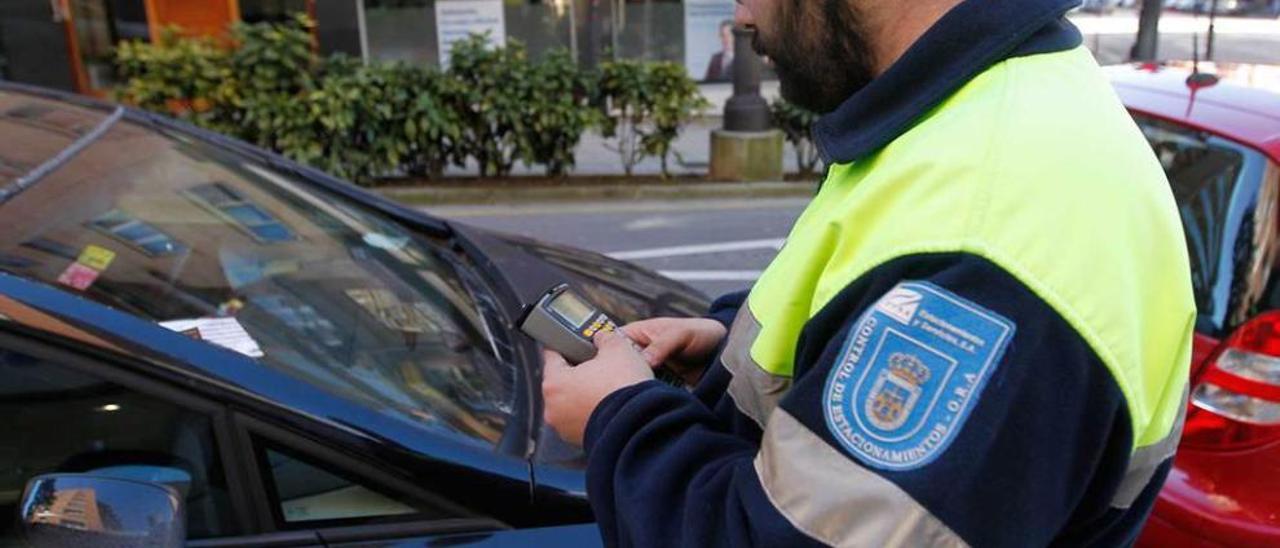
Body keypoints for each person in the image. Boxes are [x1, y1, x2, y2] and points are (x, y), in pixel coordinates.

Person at [541, 0, 1195, 545]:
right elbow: (866, 285)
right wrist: (724, 346)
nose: (741, 17)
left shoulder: (985, 248)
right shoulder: (985, 108)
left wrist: (619, 416)